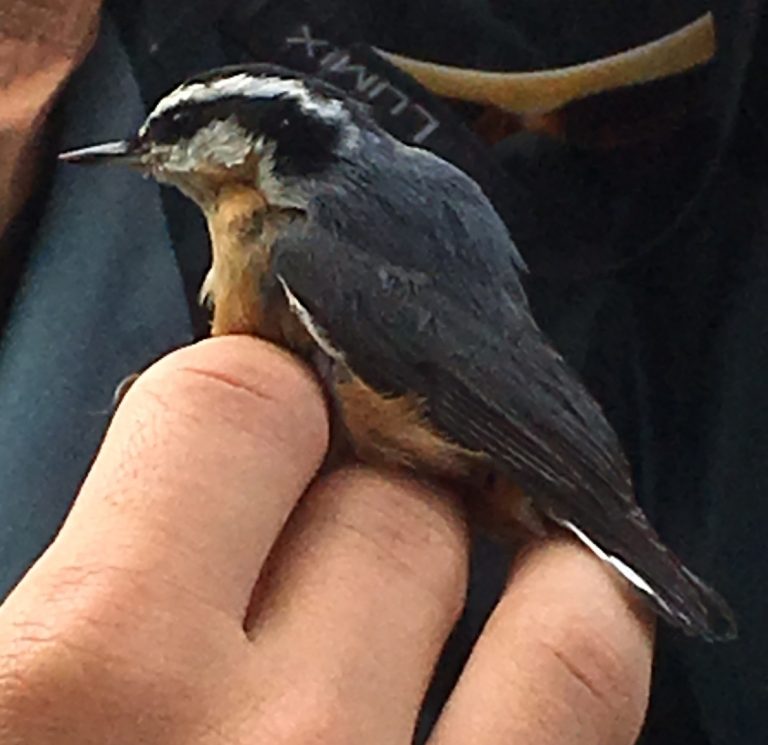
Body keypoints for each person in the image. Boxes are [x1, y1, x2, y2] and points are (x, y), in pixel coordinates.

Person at [0, 1, 764, 743]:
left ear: (248, 139)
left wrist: (601, 508)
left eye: (172, 135)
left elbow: (485, 381)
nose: (150, 156)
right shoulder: (271, 219)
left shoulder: (308, 244)